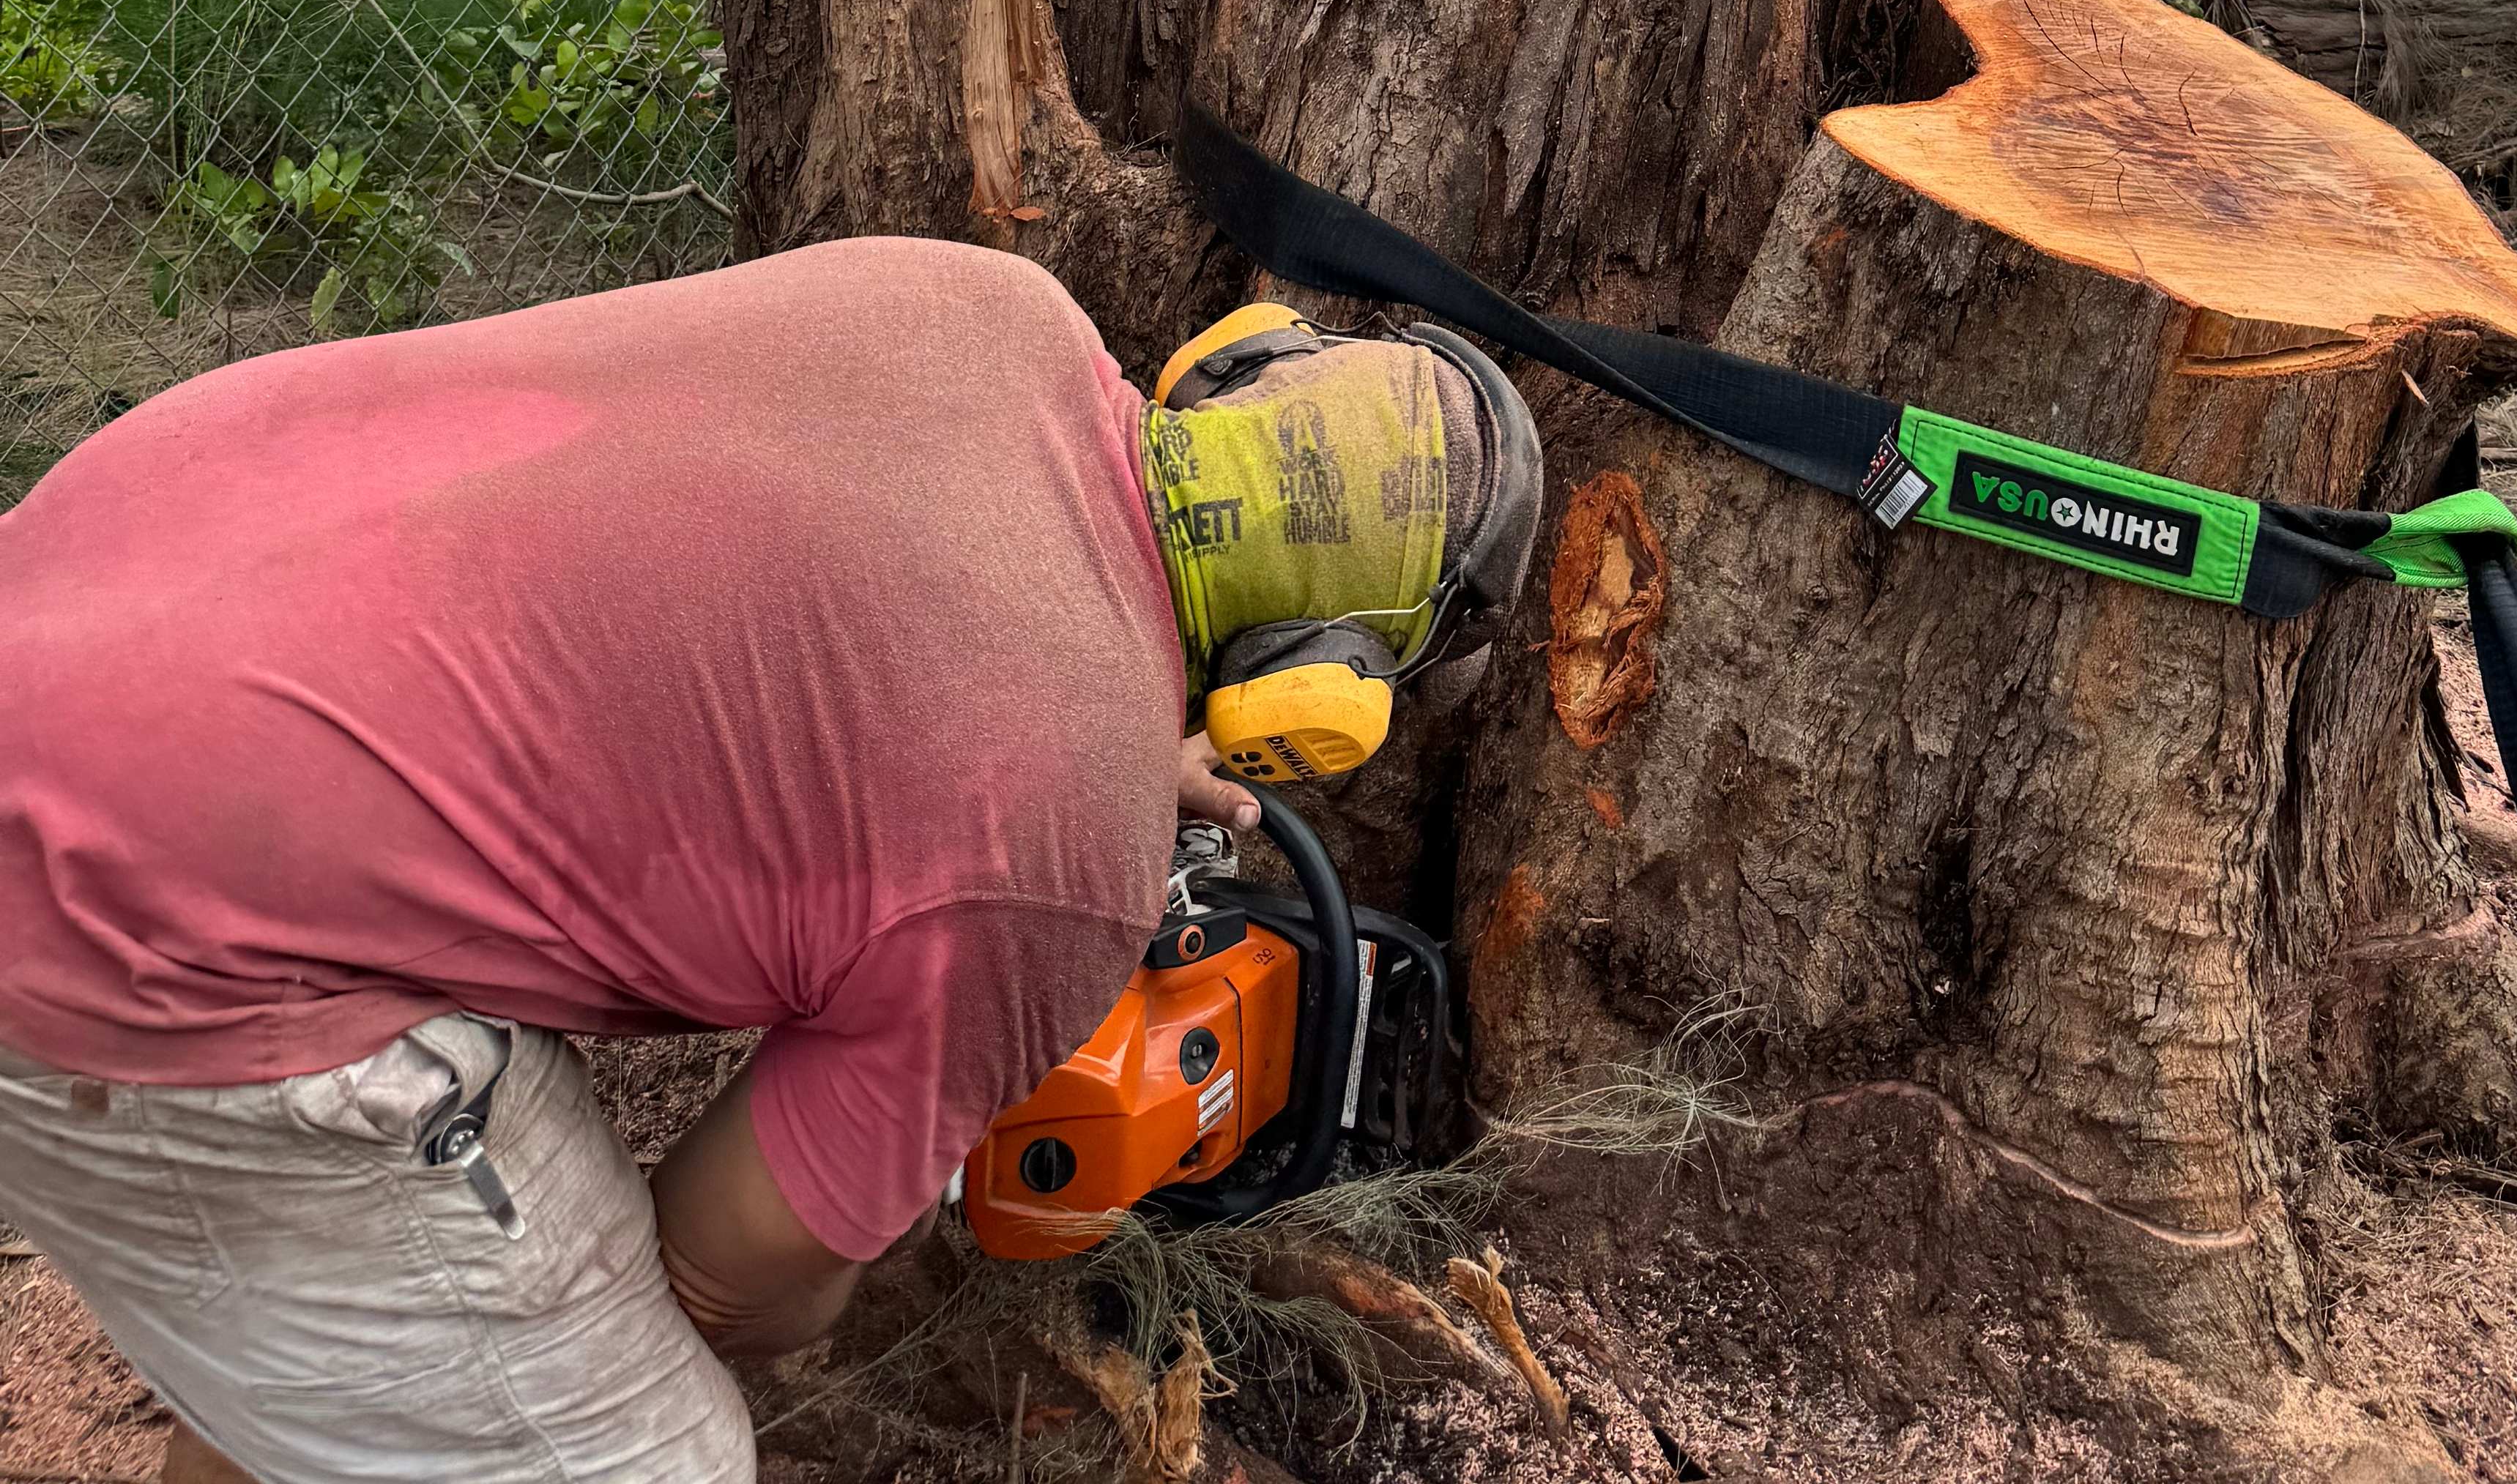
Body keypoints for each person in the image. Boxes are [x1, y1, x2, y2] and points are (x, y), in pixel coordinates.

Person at [0, 239, 1534, 1484]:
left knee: (401, 1387)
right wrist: (855, 1220)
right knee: (644, 1455)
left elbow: (874, 600)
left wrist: (1104, 755)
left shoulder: (995, 309)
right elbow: (732, 1270)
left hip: (88, 599)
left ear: (1238, 370)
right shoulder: (1053, 864)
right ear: (1317, 701)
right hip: (139, 934)